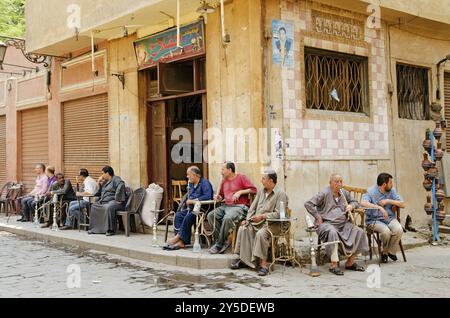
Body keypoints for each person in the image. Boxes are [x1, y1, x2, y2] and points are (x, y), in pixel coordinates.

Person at [304, 174, 368, 275]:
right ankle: (334, 264)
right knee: (332, 232)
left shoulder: (343, 193)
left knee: (359, 232)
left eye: (341, 181)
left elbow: (355, 202)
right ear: (330, 183)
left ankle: (350, 262)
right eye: (336, 182)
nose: (339, 184)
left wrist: (351, 206)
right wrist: (317, 216)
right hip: (326, 224)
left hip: (343, 224)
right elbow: (308, 203)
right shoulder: (324, 193)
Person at [232, 170, 288, 276]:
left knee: (261, 234)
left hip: (273, 224)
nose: (261, 181)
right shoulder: (261, 191)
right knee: (243, 228)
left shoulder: (281, 194)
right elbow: (252, 208)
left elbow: (280, 214)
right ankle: (245, 260)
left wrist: (262, 216)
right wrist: (248, 220)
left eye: (263, 178)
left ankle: (263, 264)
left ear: (271, 180)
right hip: (257, 222)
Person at [207, 162, 257, 254]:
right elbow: (221, 196)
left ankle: (218, 245)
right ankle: (223, 241)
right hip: (226, 206)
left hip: (240, 207)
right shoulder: (223, 181)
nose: (221, 171)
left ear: (230, 170)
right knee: (211, 215)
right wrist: (218, 198)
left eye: (223, 169)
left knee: (227, 218)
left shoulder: (241, 177)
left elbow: (254, 190)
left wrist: (240, 192)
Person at [164, 166, 213, 250]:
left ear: (194, 175)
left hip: (201, 210)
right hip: (190, 209)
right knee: (178, 216)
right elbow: (189, 197)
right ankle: (181, 242)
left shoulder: (205, 183)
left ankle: (178, 237)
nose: (187, 176)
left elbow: (208, 196)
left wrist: (194, 201)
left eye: (188, 174)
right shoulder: (190, 184)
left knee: (188, 217)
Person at [361, 173, 406, 263]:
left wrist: (388, 201)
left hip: (389, 218)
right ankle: (387, 251)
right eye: (390, 183)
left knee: (399, 229)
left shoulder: (392, 191)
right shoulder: (371, 191)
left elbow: (403, 204)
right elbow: (363, 203)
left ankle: (387, 252)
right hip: (374, 220)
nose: (392, 185)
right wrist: (380, 208)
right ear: (384, 184)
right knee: (386, 232)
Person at [88, 166, 126, 236]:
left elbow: (121, 184)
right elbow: (98, 193)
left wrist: (117, 197)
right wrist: (98, 183)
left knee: (109, 207)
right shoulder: (105, 182)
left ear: (107, 173)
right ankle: (96, 229)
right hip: (104, 201)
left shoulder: (116, 179)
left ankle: (110, 230)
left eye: (103, 173)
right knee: (94, 206)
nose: (102, 175)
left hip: (115, 201)